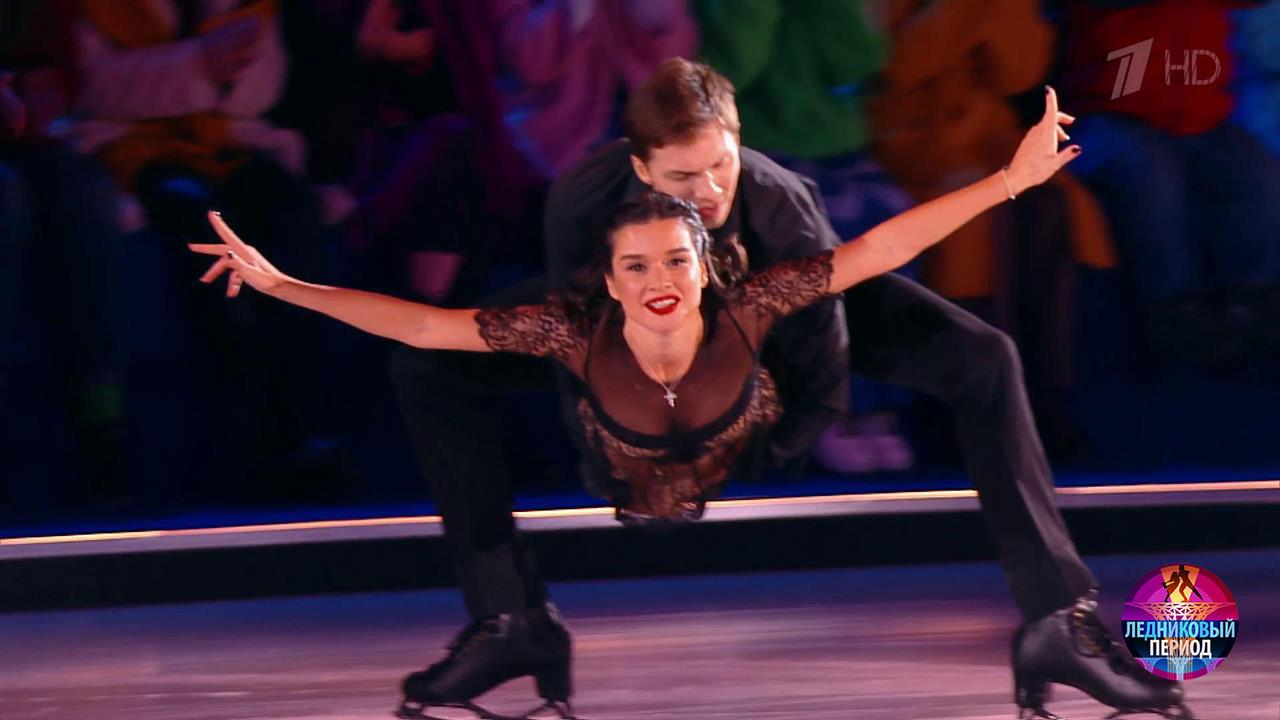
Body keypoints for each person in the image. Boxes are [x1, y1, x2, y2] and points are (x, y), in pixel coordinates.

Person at [192, 84, 1121, 719]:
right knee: (426, 368)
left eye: (721, 168)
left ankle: (1059, 620)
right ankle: (511, 620)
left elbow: (853, 288)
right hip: (635, 350)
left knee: (983, 356)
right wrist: (618, 460)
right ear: (639, 171)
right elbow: (443, 327)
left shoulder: (774, 226)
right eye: (682, 178)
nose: (709, 191)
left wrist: (784, 440)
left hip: (776, 324)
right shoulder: (583, 250)